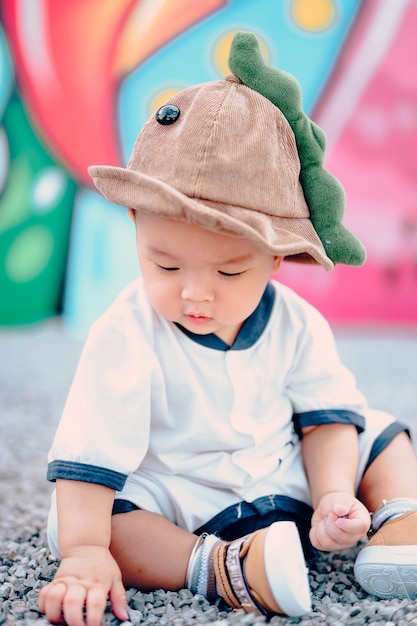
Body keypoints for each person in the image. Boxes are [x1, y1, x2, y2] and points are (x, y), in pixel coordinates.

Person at [39, 33, 417, 626]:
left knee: (377, 432)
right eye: (164, 264)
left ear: (275, 258)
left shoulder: (295, 324)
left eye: (229, 270)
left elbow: (324, 419)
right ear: (135, 224)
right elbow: (92, 453)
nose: (195, 291)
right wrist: (85, 552)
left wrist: (334, 494)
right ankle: (223, 565)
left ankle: (398, 518)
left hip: (286, 473)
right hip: (181, 495)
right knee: (94, 522)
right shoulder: (126, 333)